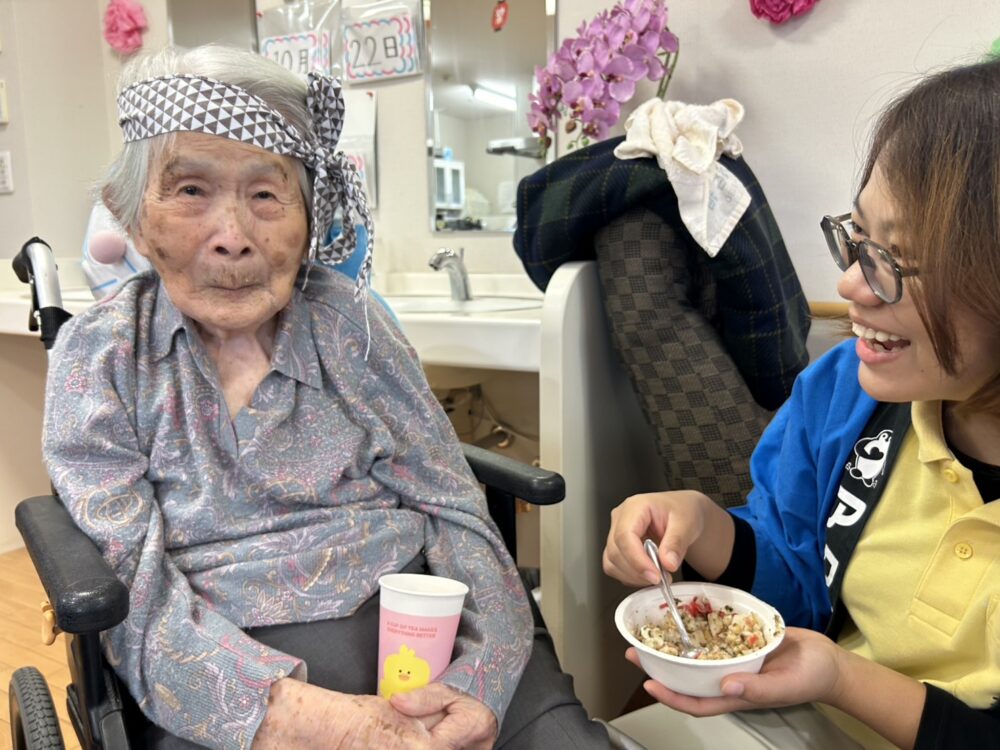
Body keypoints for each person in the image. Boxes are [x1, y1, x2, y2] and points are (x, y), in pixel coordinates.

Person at [42, 45, 613, 750]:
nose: (232, 238)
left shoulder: (350, 322)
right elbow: (134, 590)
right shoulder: (101, 356)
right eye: (190, 191)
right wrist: (310, 720)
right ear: (132, 216)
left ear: (309, 219)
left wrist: (482, 678)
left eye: (265, 195)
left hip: (418, 627)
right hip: (224, 669)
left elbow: (456, 511)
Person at [603, 55, 1000, 750]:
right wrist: (704, 526)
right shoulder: (848, 390)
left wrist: (842, 679)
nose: (850, 285)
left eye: (897, 262)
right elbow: (795, 574)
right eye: (859, 239)